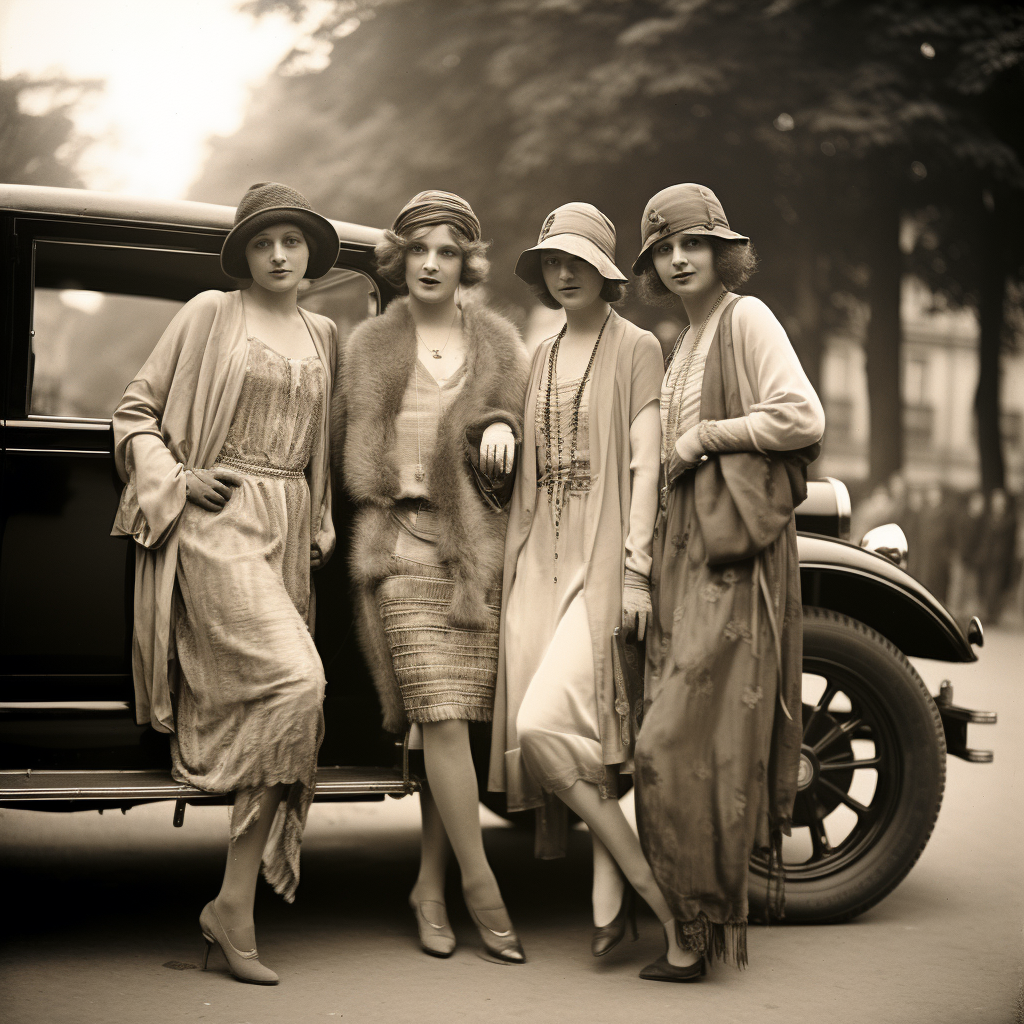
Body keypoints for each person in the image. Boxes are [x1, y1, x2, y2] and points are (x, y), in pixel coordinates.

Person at [111, 182, 341, 984]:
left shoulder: (326, 331)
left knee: (284, 704)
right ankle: (235, 906)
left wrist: (324, 516)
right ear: (244, 253)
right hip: (218, 525)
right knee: (299, 684)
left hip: (287, 530)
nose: (279, 253)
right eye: (263, 241)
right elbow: (134, 411)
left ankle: (230, 907)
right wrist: (174, 475)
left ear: (311, 250)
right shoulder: (211, 311)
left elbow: (326, 444)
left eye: (293, 240)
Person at [487, 202, 694, 978]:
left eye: (577, 259)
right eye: (551, 259)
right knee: (579, 732)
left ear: (606, 271)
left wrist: (637, 570)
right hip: (535, 554)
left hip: (603, 556)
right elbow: (518, 434)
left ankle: (651, 894)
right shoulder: (538, 354)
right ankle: (612, 896)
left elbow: (646, 466)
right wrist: (497, 425)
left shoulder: (638, 346)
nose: (562, 271)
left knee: (550, 722)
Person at [633, 183, 825, 977]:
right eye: (664, 250)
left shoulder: (746, 319)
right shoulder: (683, 339)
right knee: (680, 737)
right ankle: (695, 926)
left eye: (693, 244)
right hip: (685, 549)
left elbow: (802, 417)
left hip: (731, 557)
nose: (679, 259)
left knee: (675, 739)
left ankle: (703, 924)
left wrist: (702, 436)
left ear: (721, 252)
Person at [334, 191, 530, 963]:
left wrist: (503, 432)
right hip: (399, 548)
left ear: (467, 264)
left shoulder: (503, 346)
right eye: (418, 249)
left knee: (453, 728)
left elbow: (517, 435)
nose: (430, 263)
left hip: (473, 555)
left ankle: (428, 884)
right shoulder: (370, 345)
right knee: (441, 718)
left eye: (447, 251)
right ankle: (484, 889)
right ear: (399, 258)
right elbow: (349, 453)